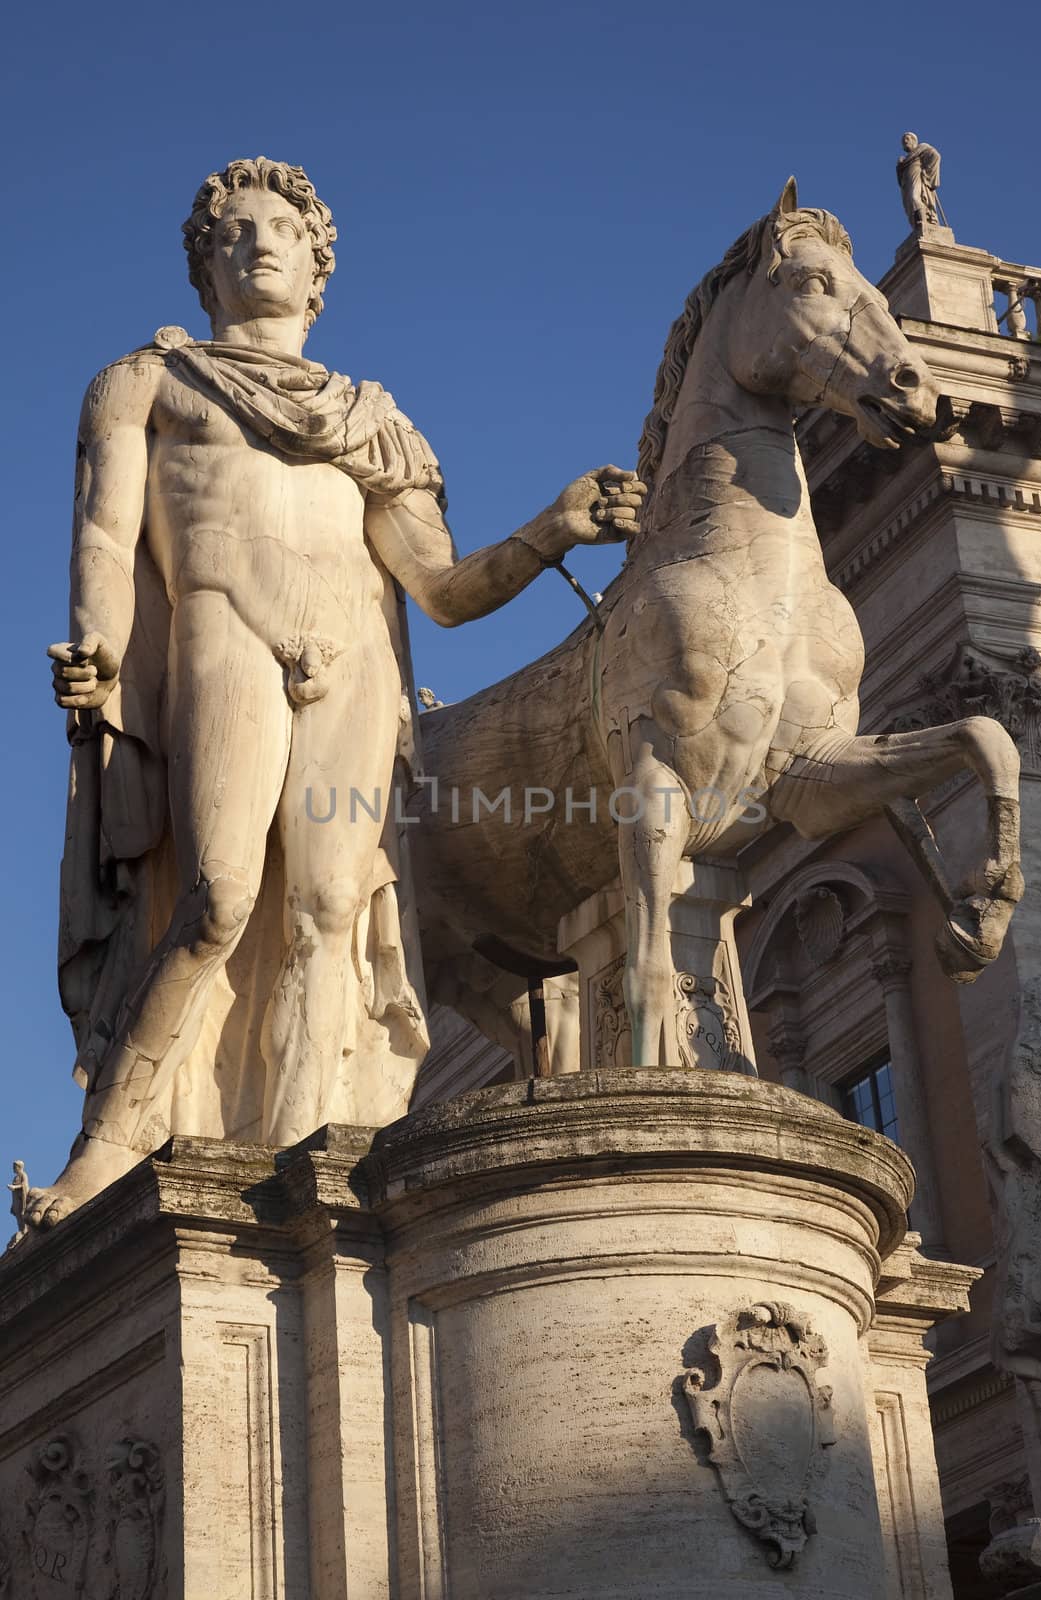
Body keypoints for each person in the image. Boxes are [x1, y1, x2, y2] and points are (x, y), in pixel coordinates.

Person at [35, 157, 643, 1228]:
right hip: (225, 629)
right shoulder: (147, 382)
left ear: (319, 266)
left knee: (328, 911)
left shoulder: (373, 422)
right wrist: (97, 644)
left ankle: (313, 1158)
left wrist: (553, 526)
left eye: (280, 228)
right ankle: (110, 1144)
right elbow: (102, 532)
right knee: (217, 896)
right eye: (233, 230)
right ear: (204, 265)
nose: (257, 242)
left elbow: (443, 591)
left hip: (354, 659)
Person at [896, 132, 944, 234]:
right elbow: (900, 181)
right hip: (907, 182)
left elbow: (936, 156)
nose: (905, 141)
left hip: (917, 176)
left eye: (907, 139)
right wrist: (899, 167)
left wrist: (927, 173)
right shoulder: (904, 160)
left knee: (915, 198)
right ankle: (917, 225)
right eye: (903, 141)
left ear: (914, 141)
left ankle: (924, 222)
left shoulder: (922, 147)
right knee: (909, 205)